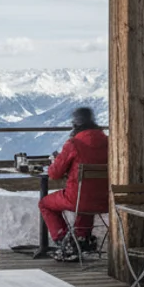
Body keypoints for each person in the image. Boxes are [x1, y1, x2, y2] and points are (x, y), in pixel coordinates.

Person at [41, 107, 109, 262]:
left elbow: (54, 174)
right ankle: (82, 239)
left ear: (75, 125)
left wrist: (57, 162)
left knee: (45, 204)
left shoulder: (74, 143)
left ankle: (64, 240)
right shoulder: (109, 142)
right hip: (106, 199)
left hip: (77, 198)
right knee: (86, 203)